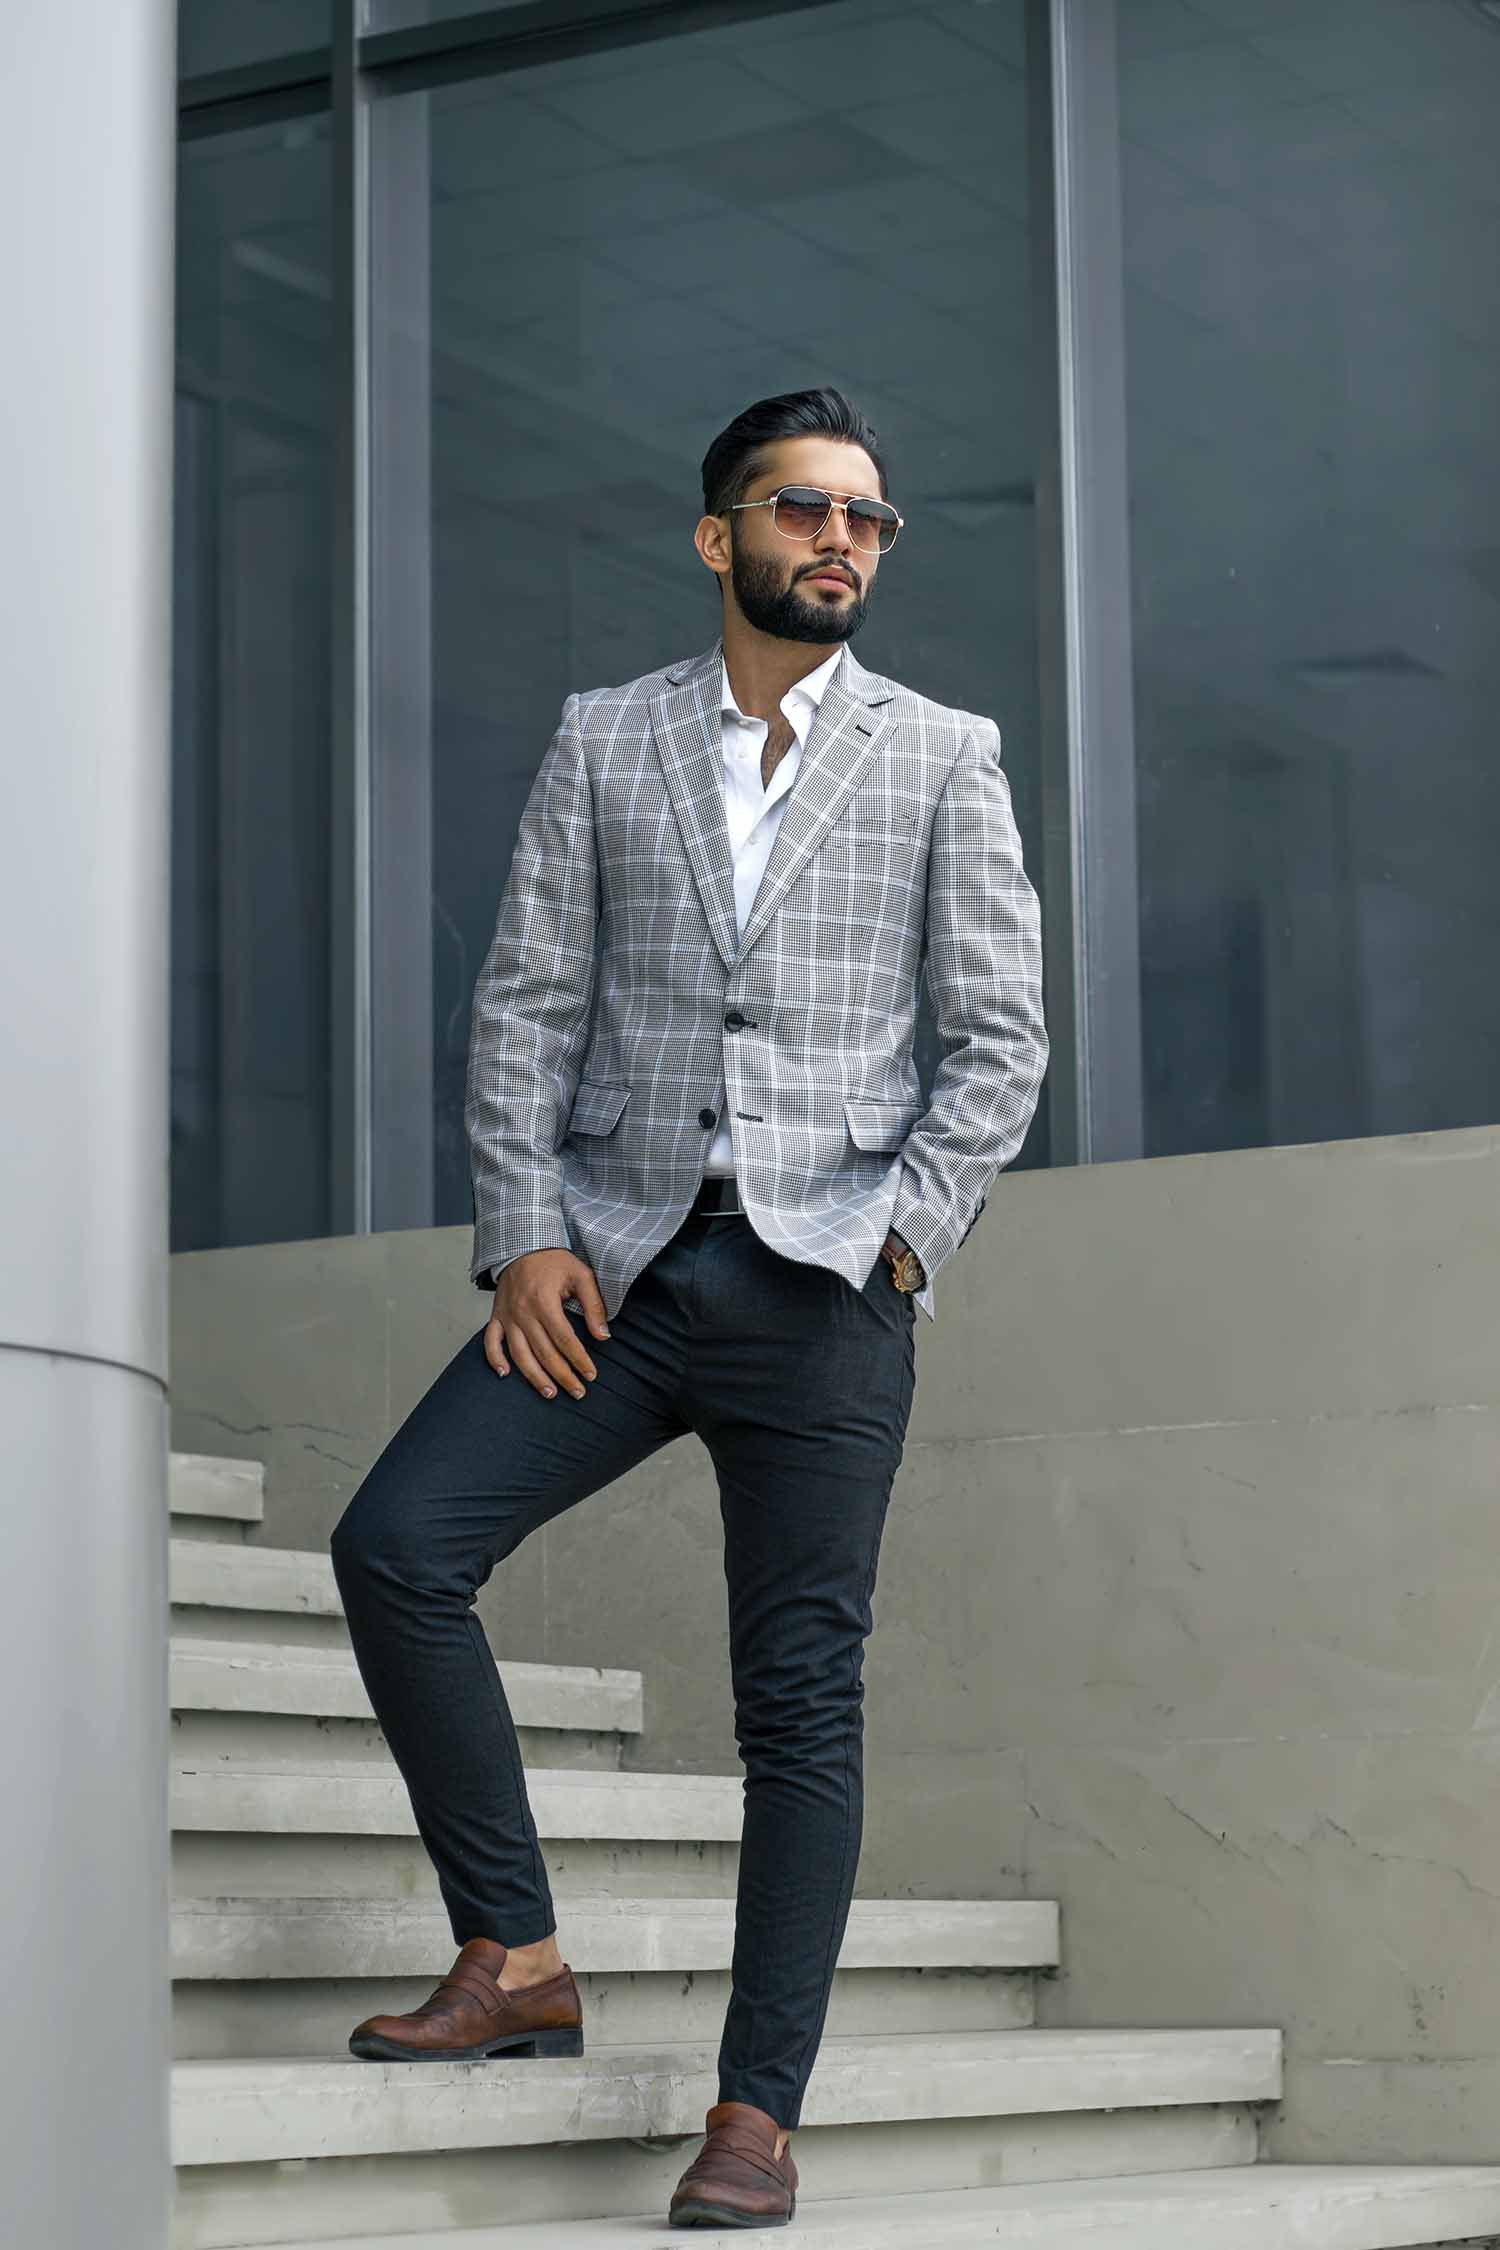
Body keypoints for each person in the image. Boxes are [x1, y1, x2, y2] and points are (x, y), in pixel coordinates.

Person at [330, 385, 1048, 2230]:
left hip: (826, 1287)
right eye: (804, 509)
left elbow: (997, 1042)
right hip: (623, 1266)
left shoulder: (942, 753)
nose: (841, 540)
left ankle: (755, 2110)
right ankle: (516, 1949)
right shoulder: (605, 737)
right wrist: (523, 1230)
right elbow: (525, 1002)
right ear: (718, 533)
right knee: (399, 1543)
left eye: (870, 519)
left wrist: (903, 1240)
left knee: (799, 1699)